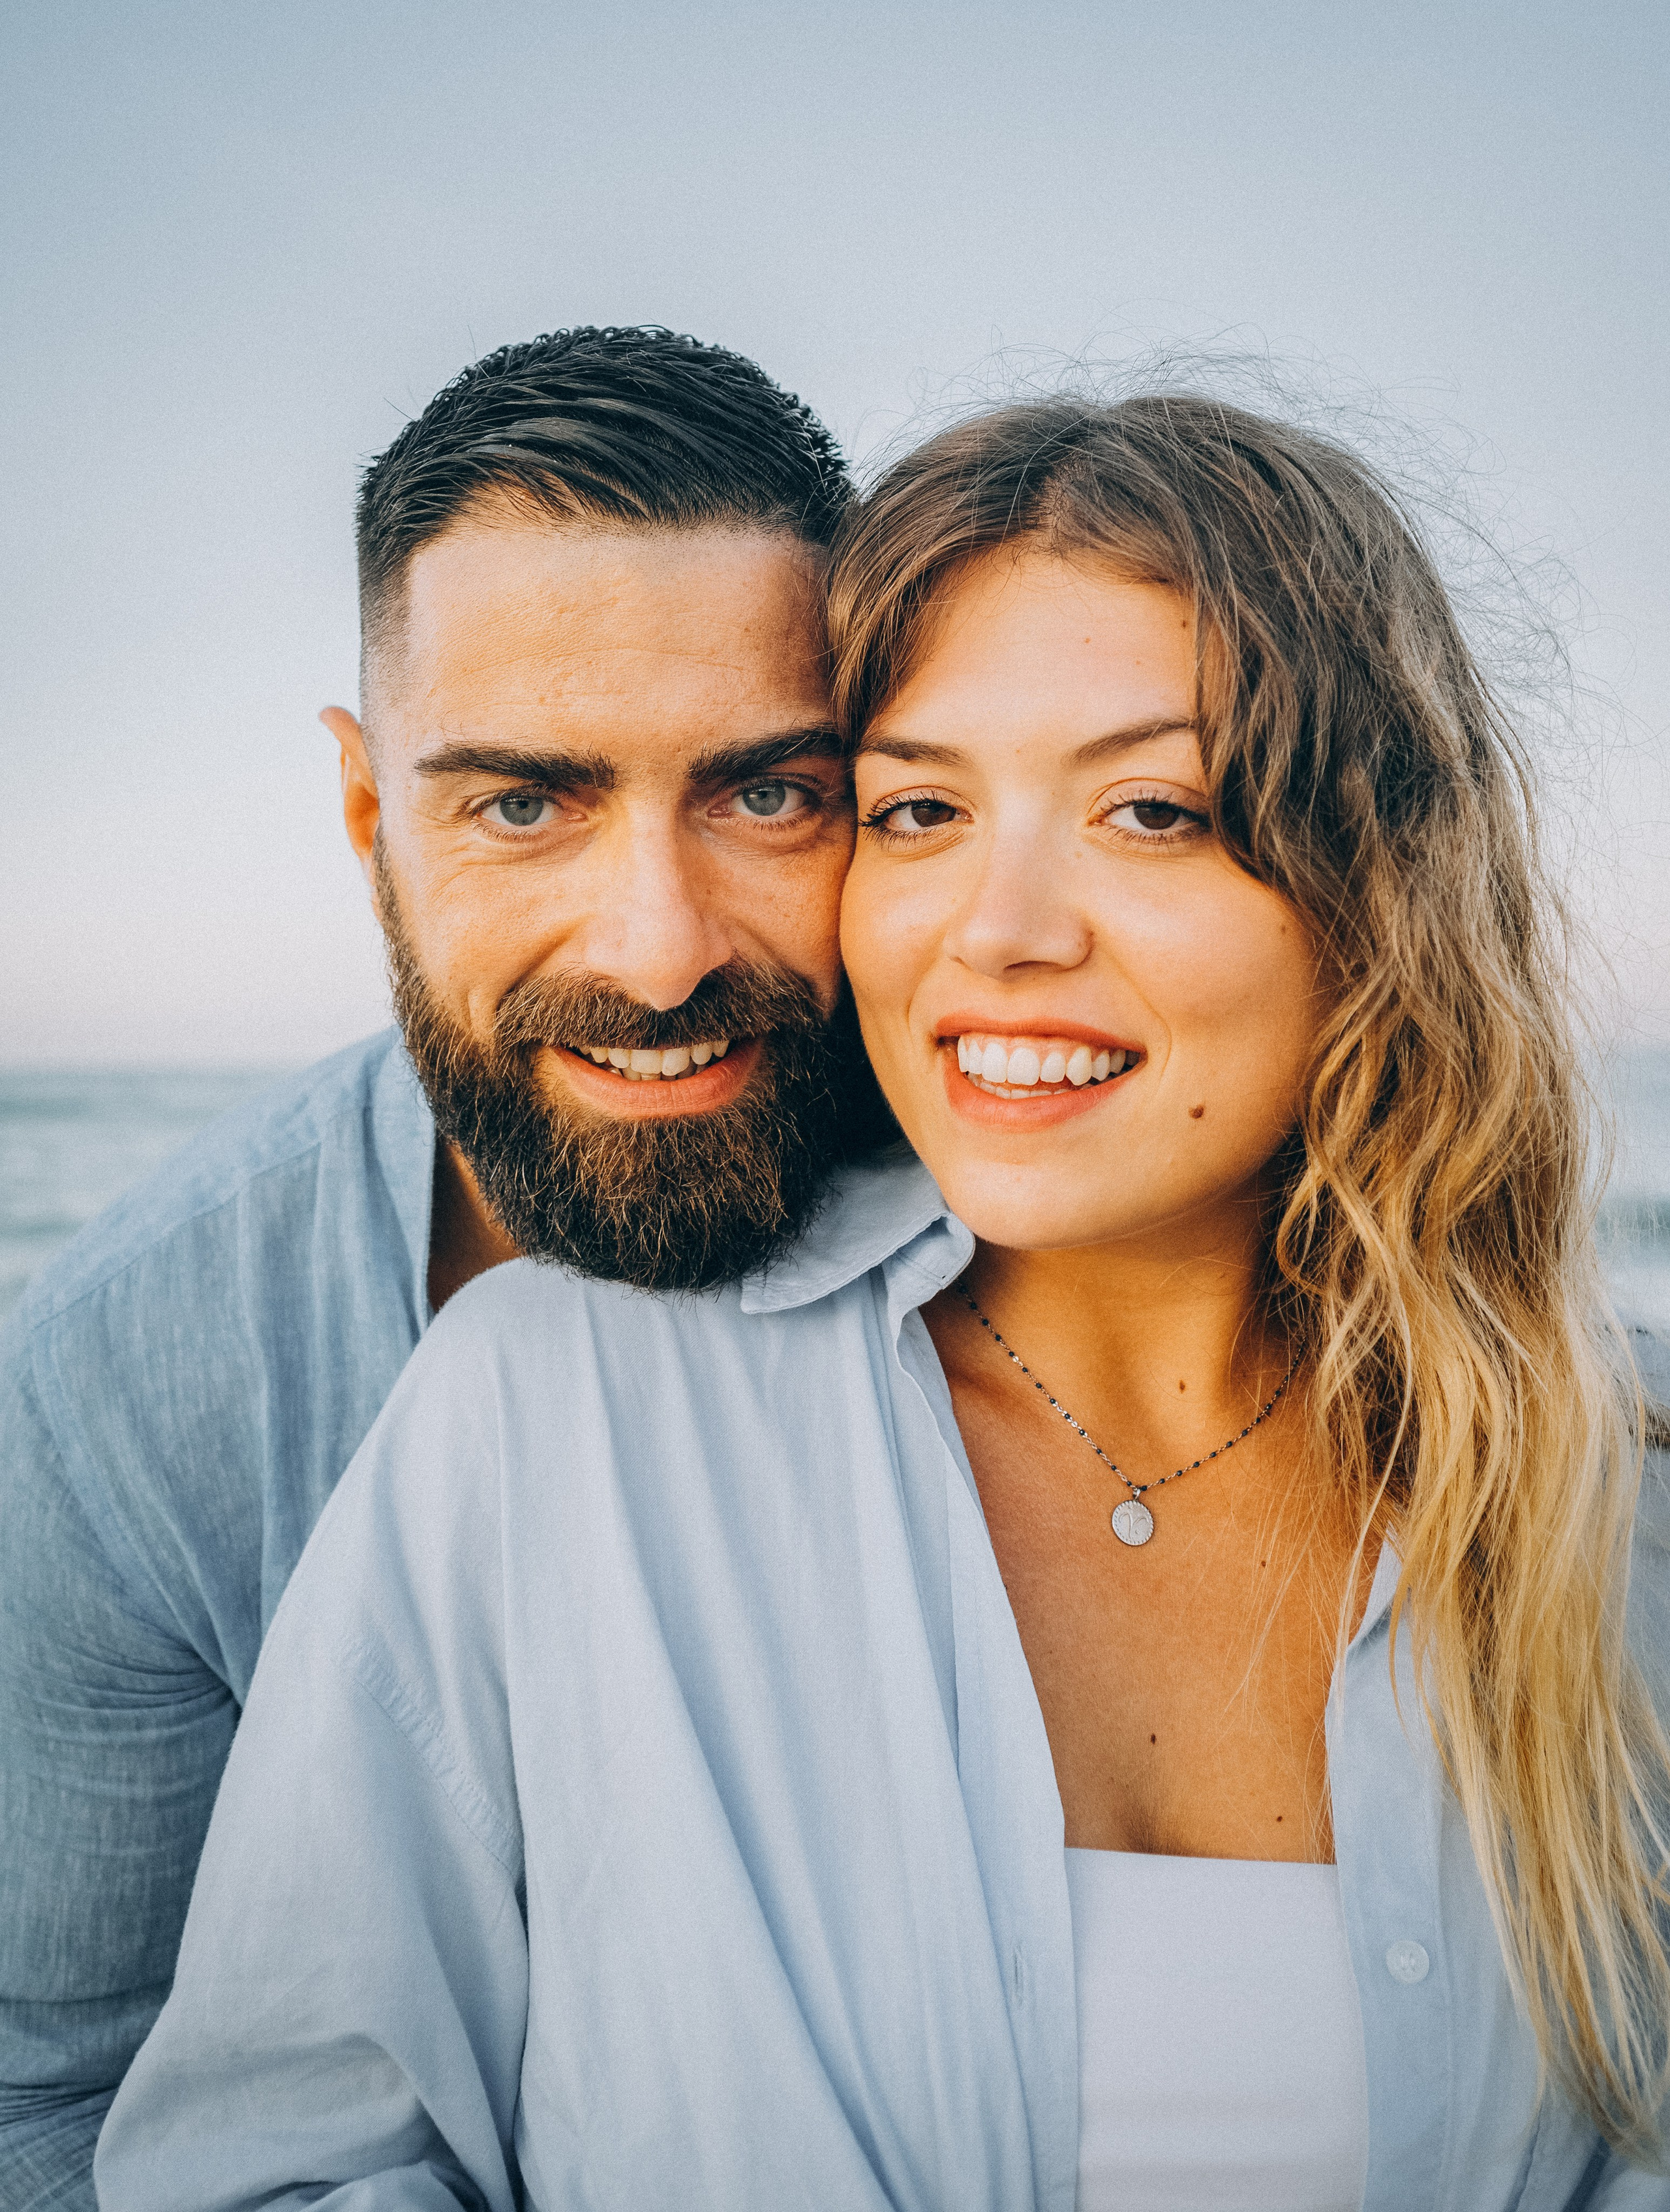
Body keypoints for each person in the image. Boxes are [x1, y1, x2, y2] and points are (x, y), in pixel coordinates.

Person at [95, 396, 1670, 2211]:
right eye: (918, 808)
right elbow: (276, 2164)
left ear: (1382, 884)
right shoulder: (551, 1421)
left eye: (1152, 811)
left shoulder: (1599, 1512)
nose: (998, 925)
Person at [0, 325, 881, 2210]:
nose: (654, 953)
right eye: (522, 801)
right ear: (364, 816)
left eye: (769, 793)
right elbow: (59, 2103)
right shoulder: (116, 1397)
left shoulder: (1064, 1235)